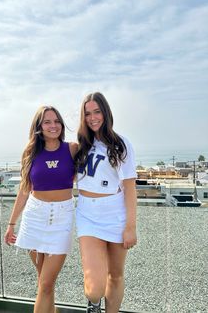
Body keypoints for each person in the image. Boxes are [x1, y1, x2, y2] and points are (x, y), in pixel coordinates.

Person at [4, 105, 78, 313]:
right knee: (44, 283)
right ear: (39, 126)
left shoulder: (72, 148)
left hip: (62, 218)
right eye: (47, 121)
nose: (53, 125)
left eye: (56, 121)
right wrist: (11, 224)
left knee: (45, 283)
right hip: (34, 217)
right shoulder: (30, 152)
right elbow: (24, 190)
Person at [74, 92, 137, 313]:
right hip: (87, 215)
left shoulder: (121, 144)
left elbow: (130, 189)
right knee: (95, 287)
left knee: (116, 275)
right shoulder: (79, 146)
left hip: (116, 215)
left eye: (97, 111)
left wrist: (130, 227)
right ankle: (93, 303)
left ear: (105, 112)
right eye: (88, 113)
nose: (93, 118)